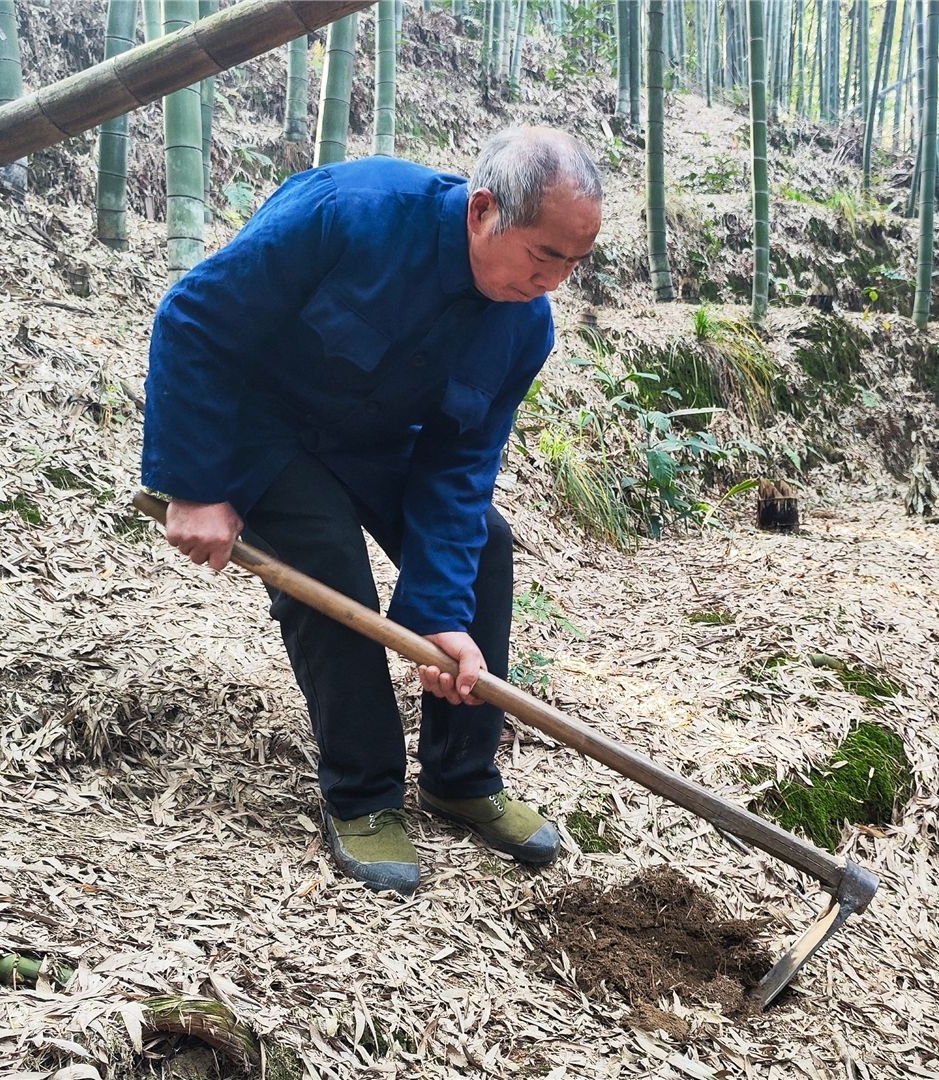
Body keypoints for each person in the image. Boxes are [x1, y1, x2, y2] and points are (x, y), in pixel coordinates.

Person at [141, 127, 603, 894]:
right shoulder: (349, 212)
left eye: (573, 263)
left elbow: (459, 466)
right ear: (483, 210)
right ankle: (363, 794)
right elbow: (197, 320)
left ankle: (460, 777)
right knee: (326, 562)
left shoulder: (525, 325)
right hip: (268, 430)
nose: (552, 280)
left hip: (380, 442)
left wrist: (437, 613)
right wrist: (194, 485)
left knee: (483, 545)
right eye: (542, 255)